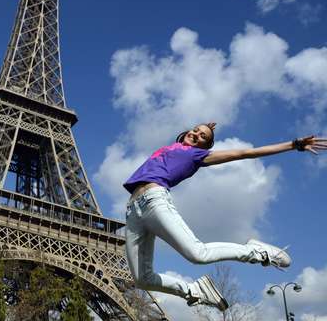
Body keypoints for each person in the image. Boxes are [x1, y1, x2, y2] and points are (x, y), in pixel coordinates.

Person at [123, 123, 326, 311]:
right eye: (195, 130)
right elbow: (194, 134)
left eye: (202, 137)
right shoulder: (171, 147)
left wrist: (294, 144)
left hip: (154, 200)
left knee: (197, 254)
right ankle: (193, 291)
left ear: (205, 146)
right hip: (132, 209)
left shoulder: (197, 156)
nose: (196, 135)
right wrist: (205, 129)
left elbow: (245, 153)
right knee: (142, 279)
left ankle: (255, 252)